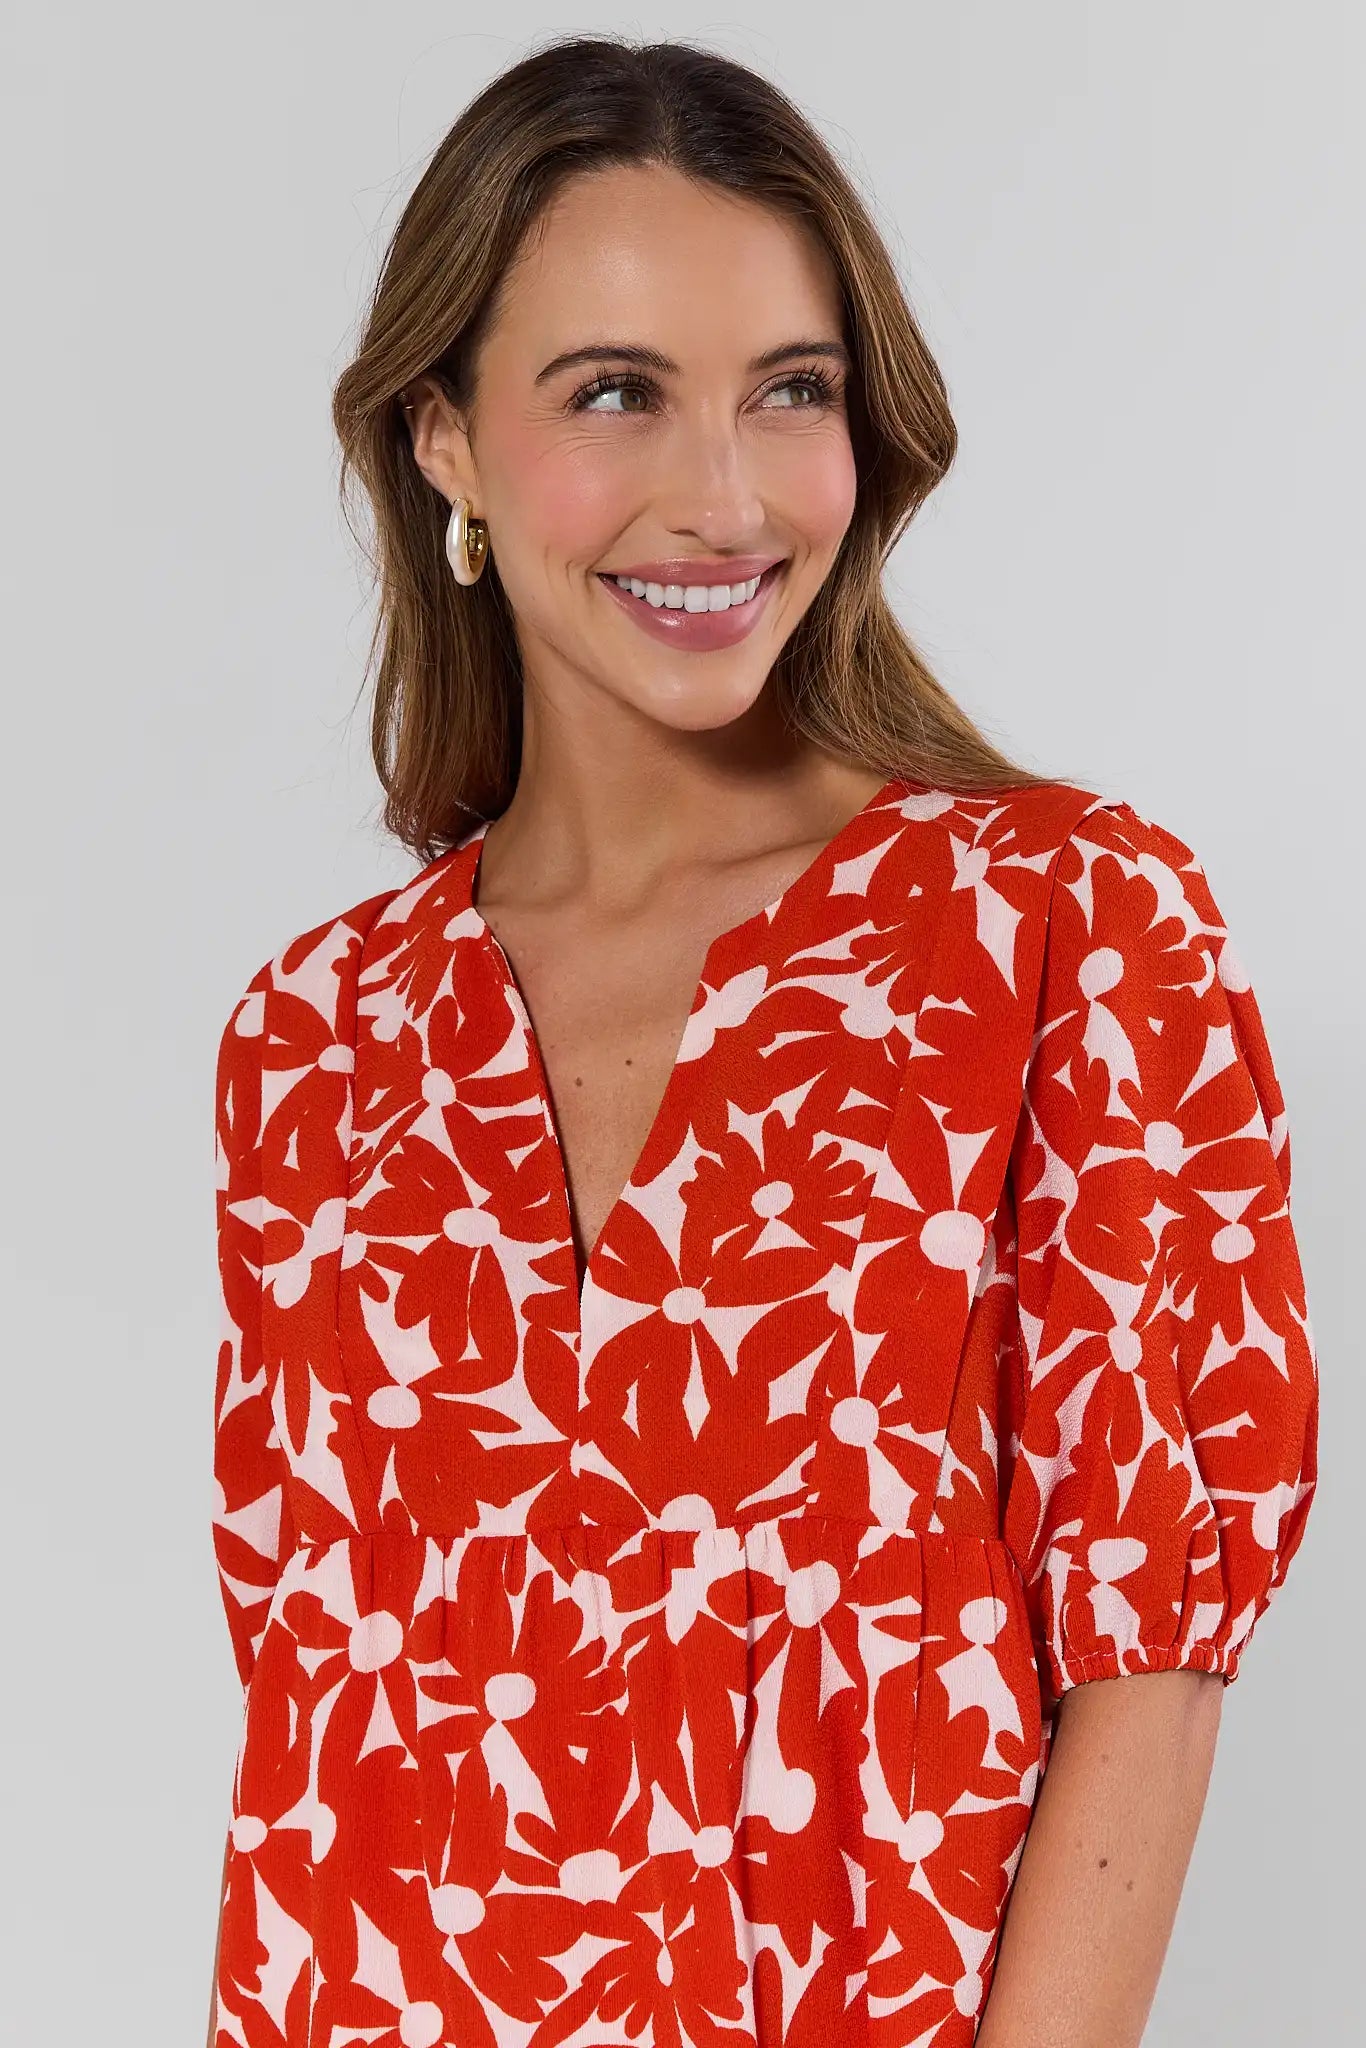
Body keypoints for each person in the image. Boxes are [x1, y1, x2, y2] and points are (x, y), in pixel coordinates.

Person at [207, 35, 1319, 2048]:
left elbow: (1140, 1673)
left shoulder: (1059, 927)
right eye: (612, 392)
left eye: (785, 394)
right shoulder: (314, 1040)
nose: (720, 496)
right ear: (443, 434)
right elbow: (321, 1739)